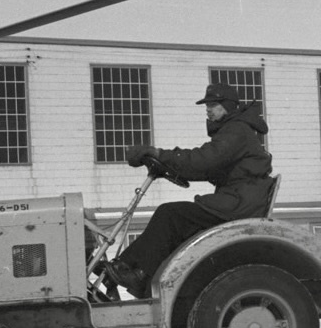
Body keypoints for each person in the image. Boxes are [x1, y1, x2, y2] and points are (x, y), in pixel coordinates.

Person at [106, 83, 275, 298]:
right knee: (177, 218)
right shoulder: (235, 130)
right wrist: (170, 166)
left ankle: (134, 272)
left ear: (228, 106)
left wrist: (158, 153)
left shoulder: (236, 130)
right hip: (238, 201)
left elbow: (204, 160)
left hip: (238, 204)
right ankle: (136, 273)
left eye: (213, 105)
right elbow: (209, 168)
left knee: (170, 214)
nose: (208, 109)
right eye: (207, 105)